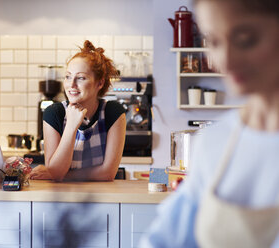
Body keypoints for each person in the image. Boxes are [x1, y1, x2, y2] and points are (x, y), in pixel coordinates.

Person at [140, 0, 279, 247]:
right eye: (213, 41)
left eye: (245, 39)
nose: (225, 59)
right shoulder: (216, 140)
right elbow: (165, 240)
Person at [30, 40, 126, 181]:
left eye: (80, 78)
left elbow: (107, 173)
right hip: (61, 198)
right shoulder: (54, 113)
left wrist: (64, 176)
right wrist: (71, 127)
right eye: (68, 76)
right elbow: (56, 172)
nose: (71, 84)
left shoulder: (113, 112)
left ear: (100, 83)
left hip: (103, 198)